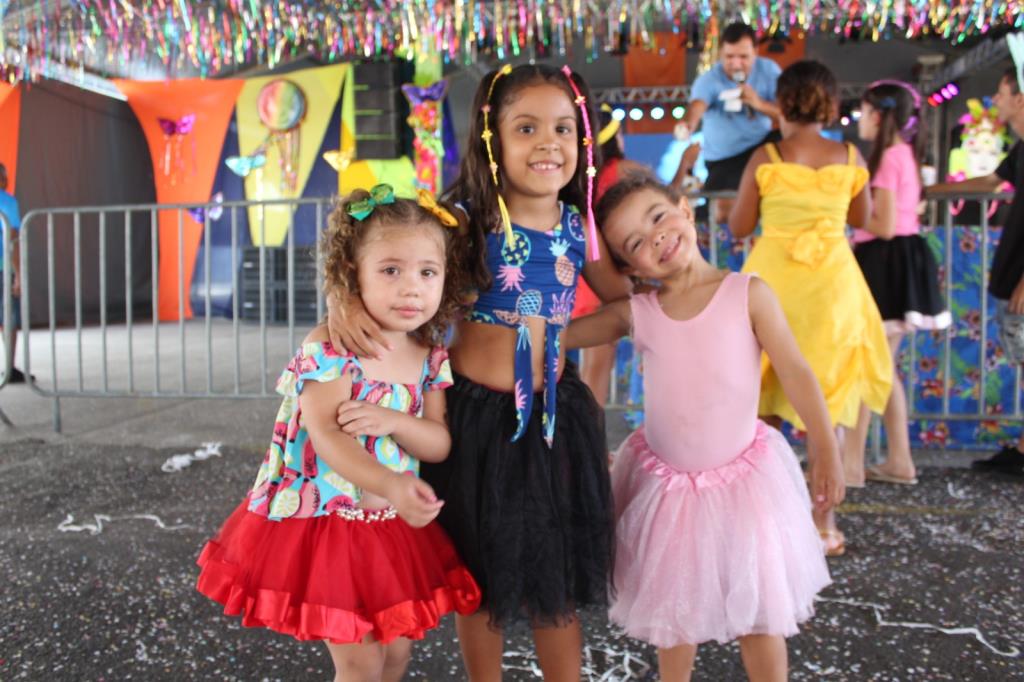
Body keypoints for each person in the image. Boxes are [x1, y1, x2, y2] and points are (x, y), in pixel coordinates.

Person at [331, 63, 631, 681]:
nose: (549, 143)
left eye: (563, 128)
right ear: (493, 139)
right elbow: (386, 255)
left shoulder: (579, 225)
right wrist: (343, 300)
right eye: (527, 128)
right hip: (475, 424)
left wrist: (554, 334)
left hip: (555, 421)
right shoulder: (463, 220)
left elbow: (624, 308)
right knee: (478, 575)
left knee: (554, 575)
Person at [195, 187, 482, 681]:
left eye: (427, 272)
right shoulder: (331, 345)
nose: (411, 288)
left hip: (390, 528)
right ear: (353, 273)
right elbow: (327, 434)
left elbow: (438, 443)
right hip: (328, 525)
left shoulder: (429, 356)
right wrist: (391, 481)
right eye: (390, 270)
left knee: (396, 654)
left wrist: (395, 422)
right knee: (359, 660)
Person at [567, 173, 840, 682]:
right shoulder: (637, 313)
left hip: (747, 486)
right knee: (674, 615)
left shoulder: (748, 294)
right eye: (635, 244)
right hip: (666, 492)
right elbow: (557, 335)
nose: (655, 238)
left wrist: (825, 446)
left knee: (761, 614)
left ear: (685, 209)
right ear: (630, 268)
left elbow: (796, 370)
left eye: (657, 217)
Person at [729, 60, 892, 556]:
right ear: (830, 104)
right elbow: (861, 217)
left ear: (782, 102)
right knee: (828, 405)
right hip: (832, 288)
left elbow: (739, 226)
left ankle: (760, 522)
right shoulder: (851, 156)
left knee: (764, 406)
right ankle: (824, 525)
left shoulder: (766, 156)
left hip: (774, 286)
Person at [845, 80, 951, 486]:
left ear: (879, 115)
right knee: (882, 368)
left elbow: (885, 225)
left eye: (864, 111)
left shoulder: (889, 157)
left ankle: (852, 464)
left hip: (887, 263)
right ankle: (898, 460)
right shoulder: (903, 153)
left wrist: (846, 212)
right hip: (895, 262)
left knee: (869, 367)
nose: (860, 119)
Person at [926, 65, 1024, 477]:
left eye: (1001, 93)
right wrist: (930, 191)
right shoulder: (1020, 150)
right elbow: (989, 182)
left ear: (1019, 98)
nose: (995, 101)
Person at [571, 103, 645, 405]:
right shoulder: (624, 170)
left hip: (582, 274)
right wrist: (684, 166)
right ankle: (590, 430)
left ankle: (586, 426)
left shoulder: (578, 179)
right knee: (597, 369)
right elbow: (662, 197)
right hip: (607, 274)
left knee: (591, 365)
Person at [672, 22, 781, 223]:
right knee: (718, 214)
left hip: (760, 149)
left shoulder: (769, 71)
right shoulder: (709, 79)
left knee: (788, 138)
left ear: (756, 52)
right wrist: (687, 124)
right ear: (720, 53)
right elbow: (697, 106)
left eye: (743, 57)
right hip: (723, 160)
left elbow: (789, 117)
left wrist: (759, 103)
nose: (736, 64)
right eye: (729, 57)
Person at [0, 162, 26, 383]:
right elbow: (12, 237)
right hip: (3, 267)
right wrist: (18, 273)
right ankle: (9, 367)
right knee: (9, 317)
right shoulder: (7, 201)